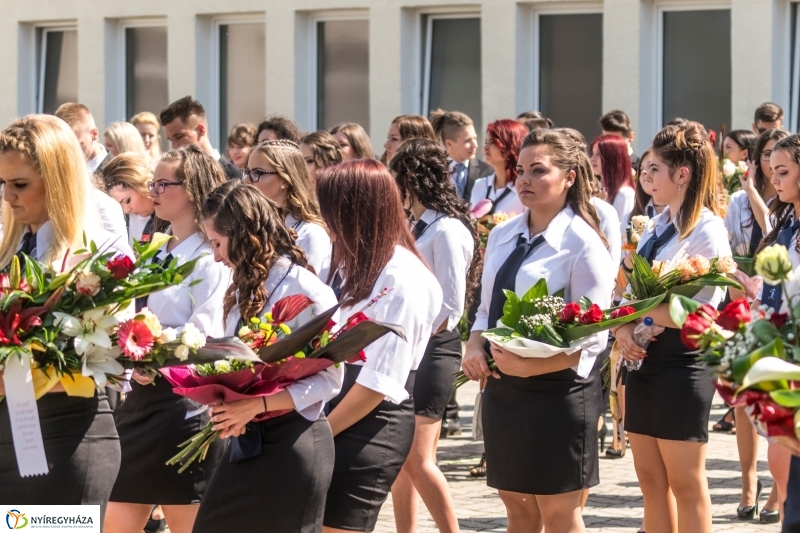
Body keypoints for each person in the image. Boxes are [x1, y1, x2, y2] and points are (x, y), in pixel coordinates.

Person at [461, 129, 614, 532]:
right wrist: (474, 346)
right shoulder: (501, 234)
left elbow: (595, 335)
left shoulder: (583, 243)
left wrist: (533, 368)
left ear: (569, 177)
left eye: (538, 170)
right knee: (518, 509)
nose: (523, 180)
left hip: (559, 393)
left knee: (559, 513)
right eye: (521, 170)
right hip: (503, 391)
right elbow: (485, 307)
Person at [0, 114, 133, 522]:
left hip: (69, 435)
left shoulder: (99, 255)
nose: (8, 196)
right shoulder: (9, 252)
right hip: (11, 436)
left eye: (20, 184)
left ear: (56, 180)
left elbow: (112, 350)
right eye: (3, 184)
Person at [192, 182, 342, 533]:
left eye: (217, 243)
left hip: (295, 442)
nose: (215, 255)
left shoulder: (306, 290)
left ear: (243, 234)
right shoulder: (241, 288)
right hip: (247, 441)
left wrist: (255, 405)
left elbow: (331, 379)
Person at [105, 146, 230, 533]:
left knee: (188, 523)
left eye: (162, 183)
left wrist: (148, 350)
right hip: (140, 402)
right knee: (114, 519)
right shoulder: (158, 248)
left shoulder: (212, 259)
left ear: (191, 189)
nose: (153, 190)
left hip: (183, 409)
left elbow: (205, 335)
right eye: (151, 182)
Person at [616, 122, 730, 533]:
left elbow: (700, 312)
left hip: (684, 362)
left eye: (654, 170)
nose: (645, 178)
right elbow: (625, 291)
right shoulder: (655, 223)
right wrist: (621, 330)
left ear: (683, 174)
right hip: (642, 361)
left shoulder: (708, 229)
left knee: (685, 481)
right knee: (650, 481)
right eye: (643, 170)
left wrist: (634, 314)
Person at [318, 159, 443, 533]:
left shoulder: (402, 277)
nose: (322, 221)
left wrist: (319, 432)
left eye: (327, 209)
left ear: (352, 211)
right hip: (337, 411)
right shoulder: (352, 263)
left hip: (367, 422)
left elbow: (378, 383)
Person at [389, 138, 480, 533]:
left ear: (411, 179)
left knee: (418, 458)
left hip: (432, 350)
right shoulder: (414, 223)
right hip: (408, 348)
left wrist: (408, 333)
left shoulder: (446, 230)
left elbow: (449, 307)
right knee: (399, 459)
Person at [722, 129, 789, 522]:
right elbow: (769, 225)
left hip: (785, 332)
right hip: (759, 320)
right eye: (769, 162)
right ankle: (757, 485)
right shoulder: (782, 218)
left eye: (782, 168)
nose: (773, 174)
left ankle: (779, 496)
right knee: (751, 410)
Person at [243, 140, 331, 280]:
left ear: (285, 180)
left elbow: (310, 296)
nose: (247, 180)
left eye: (257, 172)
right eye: (247, 172)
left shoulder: (310, 234)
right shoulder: (252, 227)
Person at [54, 103, 128, 241]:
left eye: (77, 144)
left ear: (94, 134)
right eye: (65, 146)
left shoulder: (119, 171)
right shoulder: (60, 172)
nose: (71, 152)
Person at [159, 96, 240, 181]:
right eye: (171, 140)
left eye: (179, 136)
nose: (174, 146)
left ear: (201, 130)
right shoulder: (177, 178)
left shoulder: (235, 176)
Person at [429, 109, 493, 201]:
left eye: (475, 138)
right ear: (449, 144)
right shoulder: (434, 172)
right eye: (468, 141)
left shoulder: (487, 171)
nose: (475, 145)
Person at [469, 119, 528, 216]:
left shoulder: (524, 189)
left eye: (492, 142)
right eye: (485, 142)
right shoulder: (480, 185)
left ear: (510, 147)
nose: (485, 147)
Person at [103, 153, 160, 245]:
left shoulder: (172, 213)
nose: (127, 210)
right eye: (121, 206)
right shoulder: (129, 220)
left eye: (127, 201)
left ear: (141, 183)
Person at [590, 134, 635, 234]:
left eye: (598, 154)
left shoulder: (625, 194)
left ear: (614, 157)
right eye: (592, 154)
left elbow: (624, 234)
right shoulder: (598, 189)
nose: (592, 159)